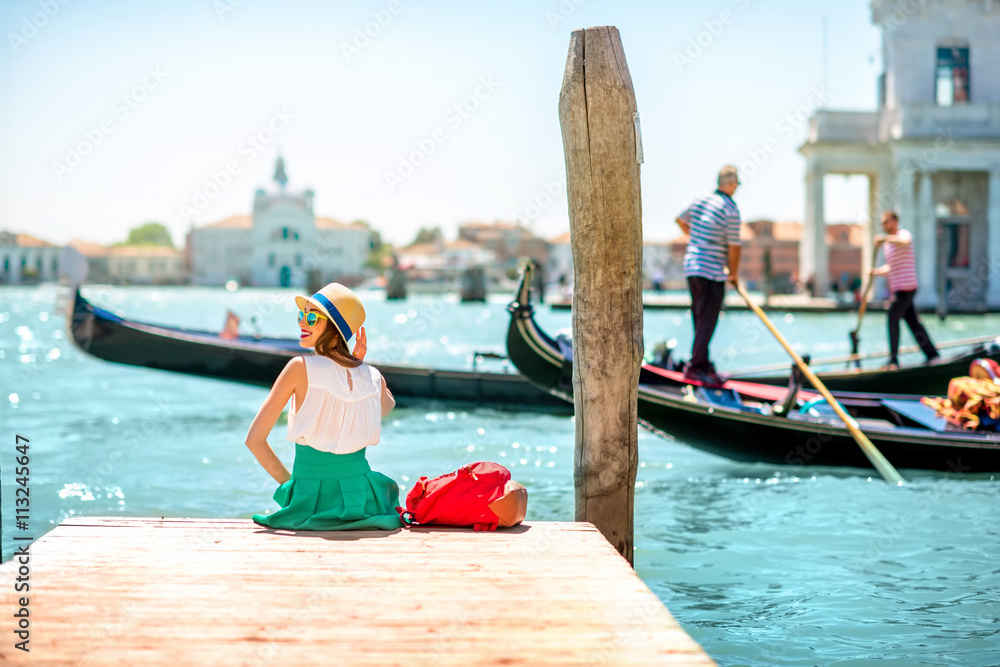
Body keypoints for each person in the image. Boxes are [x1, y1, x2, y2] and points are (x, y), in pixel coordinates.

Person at [246, 283, 403, 530]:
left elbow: (254, 440)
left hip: (310, 503)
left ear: (334, 328)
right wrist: (359, 366)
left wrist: (292, 490)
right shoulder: (372, 377)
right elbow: (385, 407)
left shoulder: (298, 368)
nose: (302, 323)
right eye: (301, 315)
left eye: (312, 317)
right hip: (363, 501)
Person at [675, 165, 742, 386]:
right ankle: (694, 367)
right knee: (708, 319)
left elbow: (680, 220)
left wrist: (697, 240)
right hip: (712, 271)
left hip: (692, 268)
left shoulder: (701, 199)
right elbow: (734, 247)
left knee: (700, 317)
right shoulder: (731, 209)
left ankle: (702, 363)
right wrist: (733, 274)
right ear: (731, 184)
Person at [871, 210, 940, 370]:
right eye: (882, 223)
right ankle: (932, 355)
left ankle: (893, 360)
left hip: (907, 288)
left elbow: (904, 241)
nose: (884, 226)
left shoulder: (903, 235)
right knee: (913, 323)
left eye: (886, 222)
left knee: (892, 317)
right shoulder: (889, 245)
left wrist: (884, 238)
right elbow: (891, 268)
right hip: (899, 289)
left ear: (894, 221)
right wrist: (874, 272)